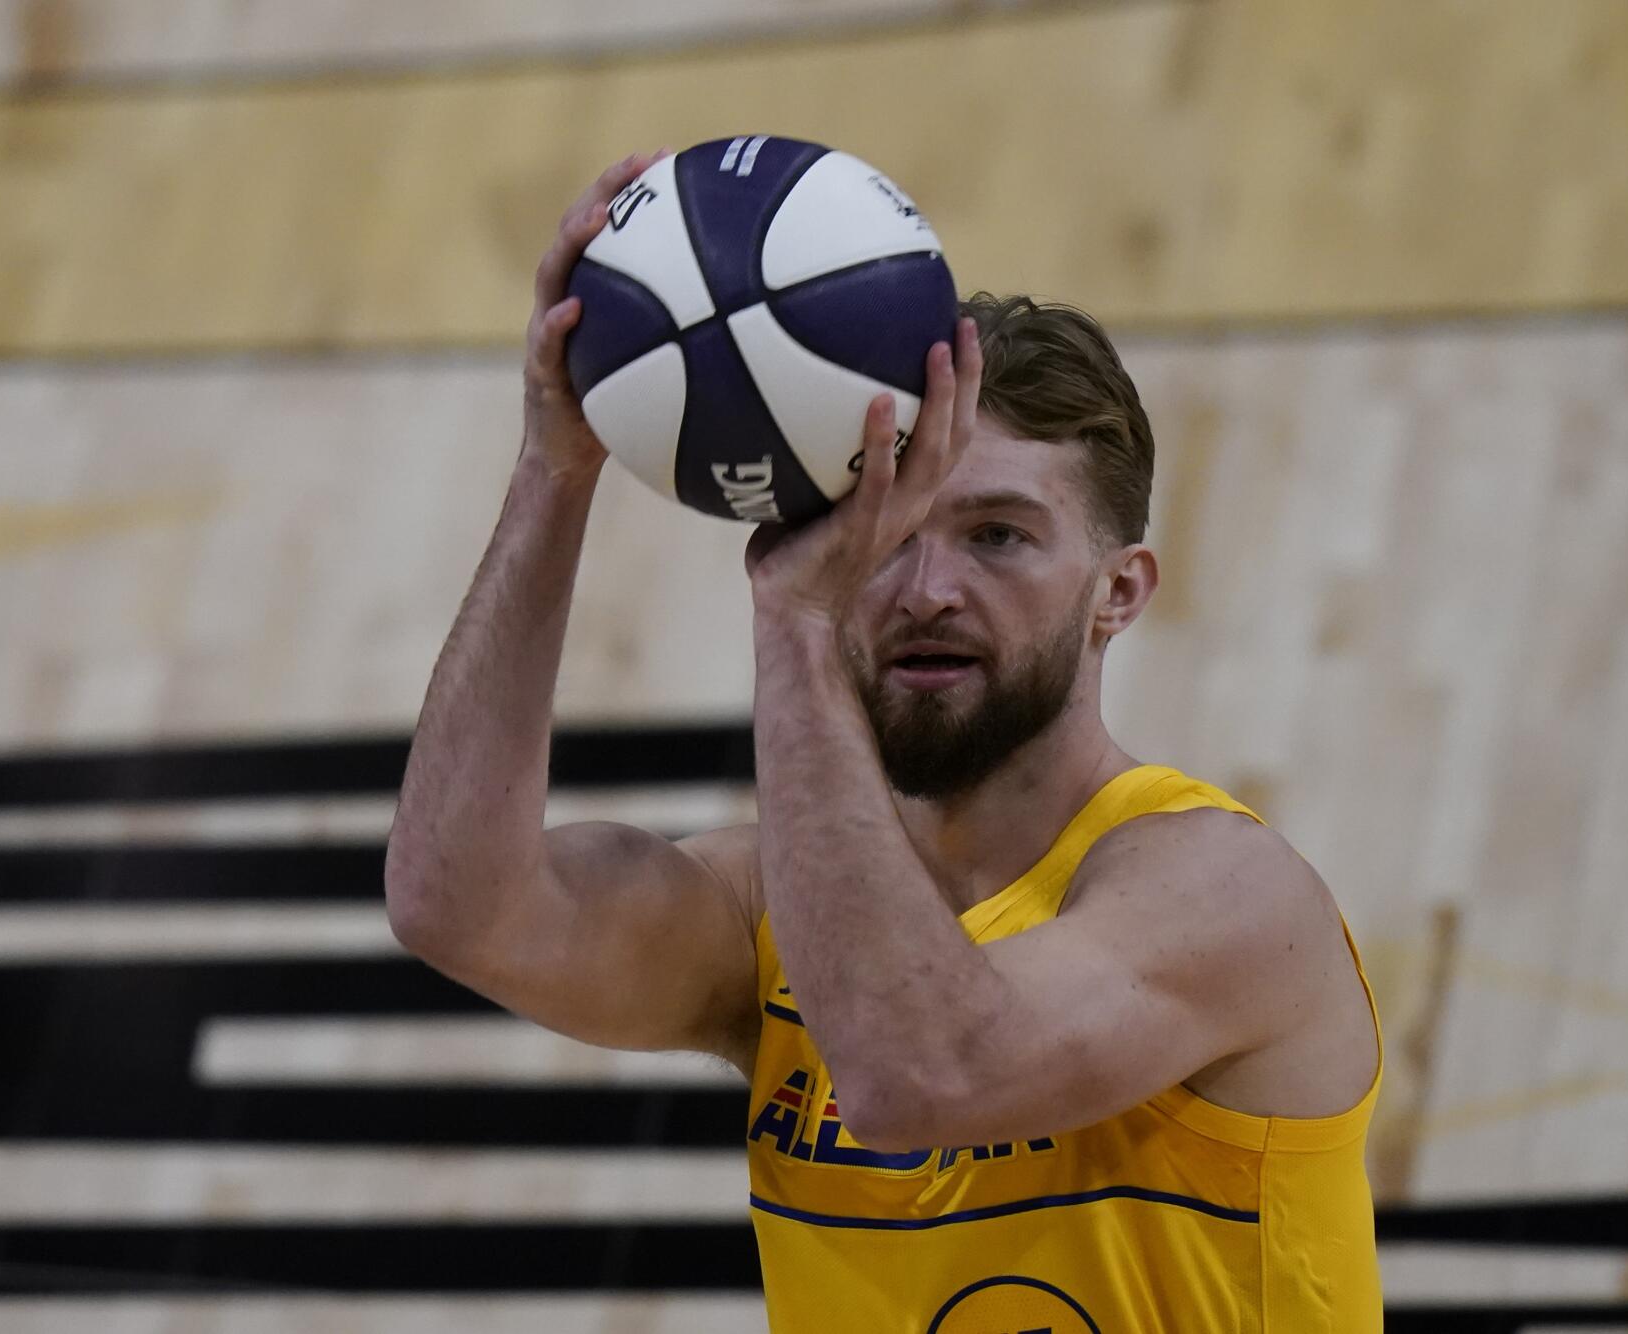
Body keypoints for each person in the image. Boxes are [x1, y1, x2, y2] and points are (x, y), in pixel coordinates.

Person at [385, 153, 1383, 1333]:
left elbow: (927, 1072)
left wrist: (798, 623)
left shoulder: (1219, 889)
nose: (924, 586)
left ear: (1117, 592)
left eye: (997, 536)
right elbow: (456, 903)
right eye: (887, 523)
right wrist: (556, 467)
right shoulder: (771, 909)